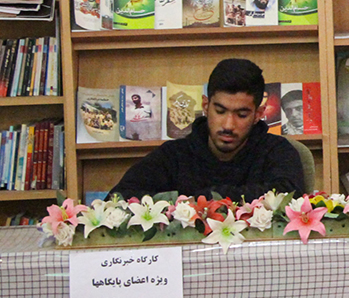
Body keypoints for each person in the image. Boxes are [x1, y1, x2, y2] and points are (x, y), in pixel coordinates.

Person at [111, 58, 305, 200]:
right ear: (205, 106)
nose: (228, 125)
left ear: (258, 114)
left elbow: (290, 197)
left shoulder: (278, 152)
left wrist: (204, 198)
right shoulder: (174, 155)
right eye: (220, 111)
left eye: (241, 115)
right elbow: (117, 199)